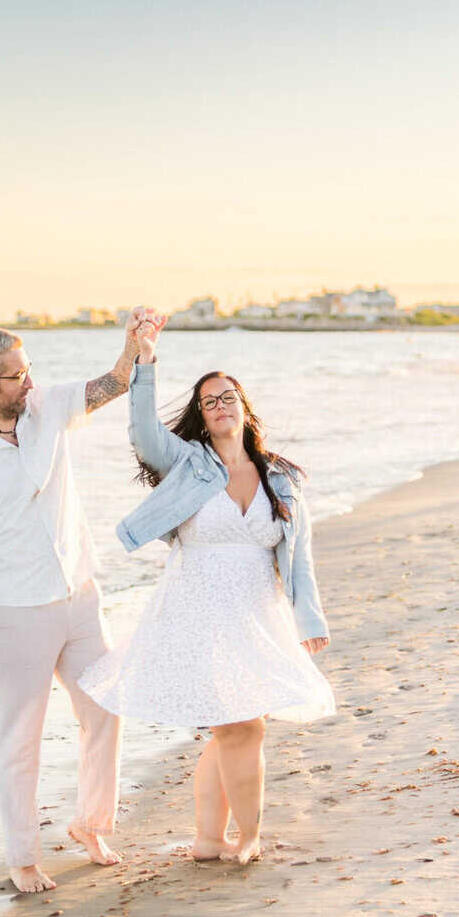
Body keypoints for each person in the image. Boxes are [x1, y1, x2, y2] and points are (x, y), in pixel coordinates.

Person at [81, 312, 333, 866]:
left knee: (238, 727)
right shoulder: (188, 464)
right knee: (240, 724)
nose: (220, 407)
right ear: (202, 414)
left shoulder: (279, 478)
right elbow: (144, 434)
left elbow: (299, 558)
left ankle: (207, 841)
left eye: (228, 398)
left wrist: (308, 620)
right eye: (209, 402)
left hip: (254, 612)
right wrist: (145, 358)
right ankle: (249, 837)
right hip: (196, 608)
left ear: (244, 408)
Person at [0, 321, 144, 893]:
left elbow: (114, 383)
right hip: (15, 614)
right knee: (17, 738)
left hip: (79, 596)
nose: (30, 382)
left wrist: (137, 342)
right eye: (17, 376)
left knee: (104, 709)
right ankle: (22, 857)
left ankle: (91, 824)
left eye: (29, 369)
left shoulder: (46, 408)